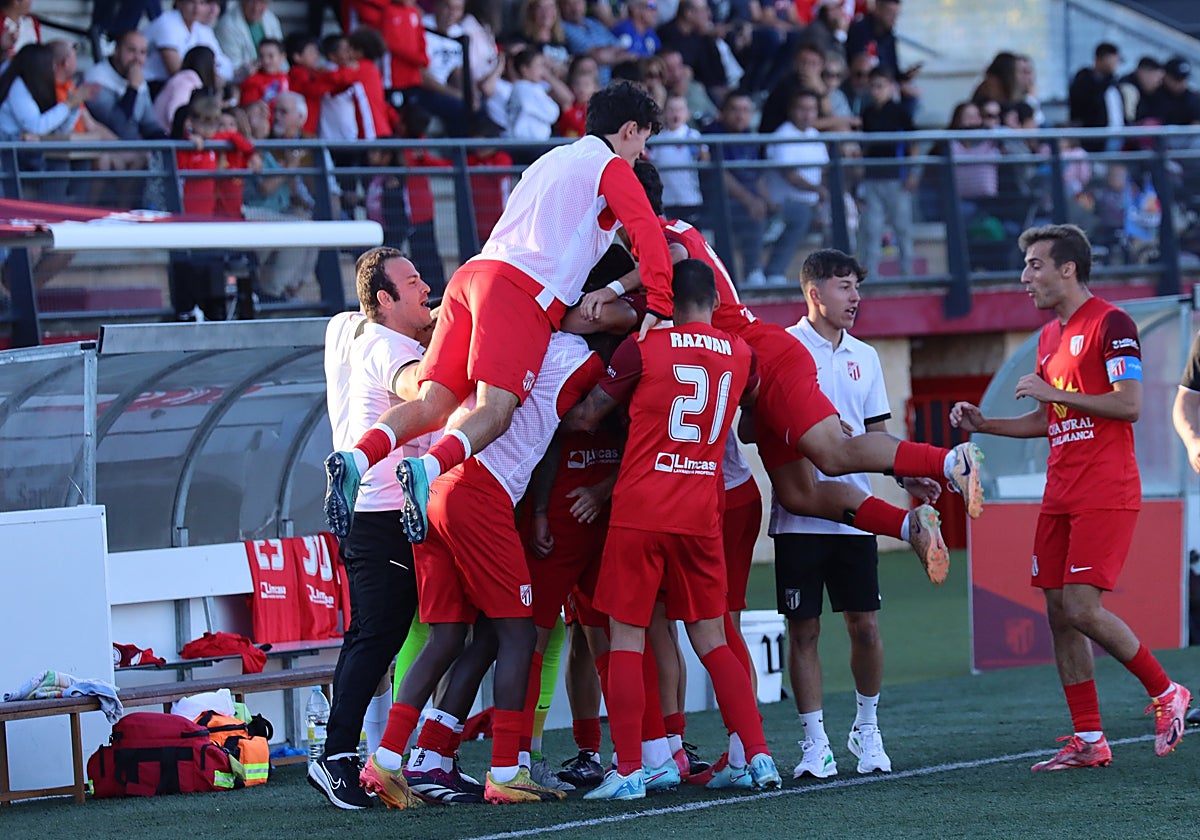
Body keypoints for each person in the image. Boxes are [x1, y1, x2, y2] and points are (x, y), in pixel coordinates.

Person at [322, 81, 674, 545]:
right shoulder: (609, 165)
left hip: (473, 274)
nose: (641, 155)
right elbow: (646, 228)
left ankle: (356, 459)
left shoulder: (550, 159)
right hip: (518, 292)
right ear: (630, 130)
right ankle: (426, 469)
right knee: (497, 410)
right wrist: (662, 304)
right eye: (644, 141)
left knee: (433, 402)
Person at [950, 224, 1191, 771]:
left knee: (1082, 607)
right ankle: (1089, 739)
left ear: (1068, 269)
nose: (1024, 277)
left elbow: (1128, 405)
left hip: (1104, 489)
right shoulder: (1048, 338)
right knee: (1060, 614)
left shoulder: (1113, 322)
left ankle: (1167, 691)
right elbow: (1047, 418)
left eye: (1035, 264)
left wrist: (1055, 392)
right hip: (1060, 490)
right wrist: (985, 423)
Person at [564, 258, 783, 800]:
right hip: (700, 514)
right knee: (712, 639)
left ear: (668, 300)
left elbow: (589, 415)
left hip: (640, 511)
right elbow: (754, 410)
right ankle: (757, 755)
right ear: (711, 300)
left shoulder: (645, 346)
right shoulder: (740, 352)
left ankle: (631, 769)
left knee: (626, 637)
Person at [359, 329, 604, 807]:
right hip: (479, 491)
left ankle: (395, 759)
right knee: (519, 633)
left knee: (455, 634)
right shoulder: (581, 356)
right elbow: (588, 416)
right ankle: (507, 770)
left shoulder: (498, 336)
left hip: (434, 484)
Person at [773, 248, 940, 781]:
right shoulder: (781, 349)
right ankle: (814, 743)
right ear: (814, 293)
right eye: (845, 287)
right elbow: (756, 428)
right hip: (798, 516)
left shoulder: (865, 357)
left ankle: (867, 728)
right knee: (803, 632)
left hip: (856, 516)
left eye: (858, 288)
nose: (855, 298)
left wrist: (905, 474)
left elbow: (876, 437)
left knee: (865, 627)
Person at [308, 248, 432, 810]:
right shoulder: (388, 345)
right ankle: (335, 755)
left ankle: (384, 751)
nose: (427, 286)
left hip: (387, 508)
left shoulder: (382, 337)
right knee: (375, 633)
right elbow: (418, 390)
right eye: (413, 282)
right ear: (384, 300)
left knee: (388, 632)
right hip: (377, 511)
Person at [857, 66, 918, 280]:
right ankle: (871, 274)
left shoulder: (901, 112)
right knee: (872, 228)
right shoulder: (867, 113)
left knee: (902, 227)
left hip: (896, 178)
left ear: (890, 87)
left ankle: (907, 272)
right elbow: (864, 146)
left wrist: (911, 173)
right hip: (873, 178)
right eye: (872, 86)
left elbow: (913, 144)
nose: (876, 91)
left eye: (880, 86)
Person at [1068, 42, 1123, 152]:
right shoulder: (1084, 81)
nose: (1116, 64)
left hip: (1117, 135)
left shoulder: (1113, 83)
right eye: (1113, 60)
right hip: (1094, 138)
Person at [214, 0, 283, 83]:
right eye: (251, 2)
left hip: (273, 81)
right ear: (242, 2)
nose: (256, 8)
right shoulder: (227, 25)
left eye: (262, 2)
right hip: (244, 84)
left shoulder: (271, 20)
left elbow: (281, 58)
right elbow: (233, 68)